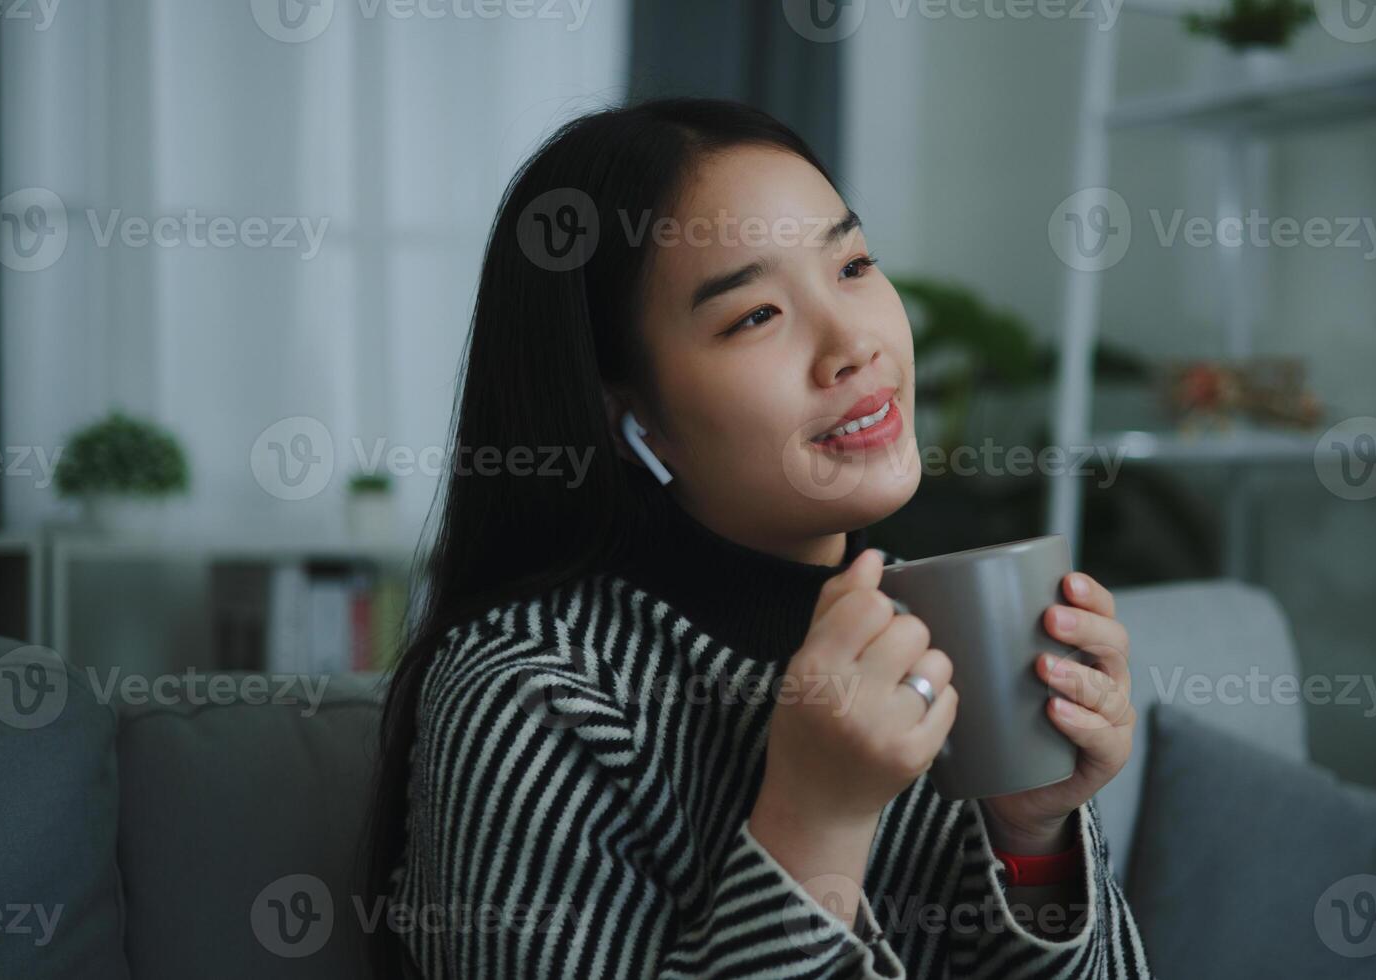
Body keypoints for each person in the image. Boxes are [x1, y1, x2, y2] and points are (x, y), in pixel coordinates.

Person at [365, 96, 1150, 979]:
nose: (855, 342)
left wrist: (1032, 836)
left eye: (852, 264)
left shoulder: (933, 635)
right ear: (629, 419)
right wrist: (813, 824)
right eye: (754, 316)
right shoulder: (531, 694)